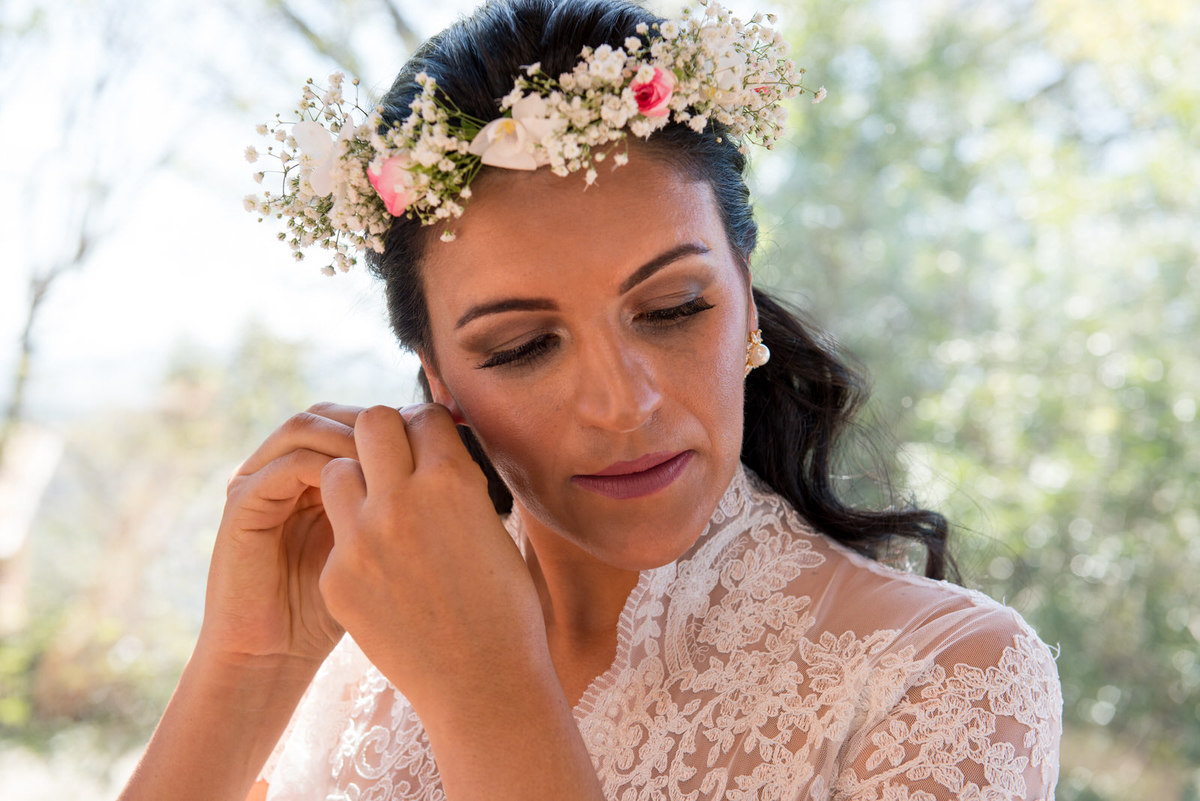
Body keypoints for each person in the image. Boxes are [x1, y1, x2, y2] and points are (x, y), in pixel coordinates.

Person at [120, 0, 1062, 799]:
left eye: (674, 308)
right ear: (438, 378)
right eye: (523, 346)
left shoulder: (945, 676)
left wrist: (491, 694)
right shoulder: (354, 668)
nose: (623, 403)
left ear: (743, 298)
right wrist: (250, 663)